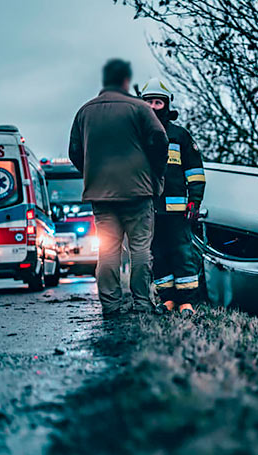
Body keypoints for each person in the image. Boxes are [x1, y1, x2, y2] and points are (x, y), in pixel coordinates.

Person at [69, 60, 169, 315]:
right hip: (138, 192)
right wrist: (155, 174)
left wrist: (92, 175)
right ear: (126, 81)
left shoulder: (84, 111)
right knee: (140, 250)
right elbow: (160, 140)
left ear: (106, 80)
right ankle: (142, 303)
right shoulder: (139, 108)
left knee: (108, 251)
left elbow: (74, 152)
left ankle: (111, 305)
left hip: (101, 196)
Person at [141, 78, 206, 316]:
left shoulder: (180, 136)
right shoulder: (138, 137)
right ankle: (167, 299)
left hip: (178, 211)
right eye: (148, 103)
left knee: (182, 254)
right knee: (159, 256)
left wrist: (194, 201)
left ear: (167, 105)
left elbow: (195, 173)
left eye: (158, 102)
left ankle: (186, 302)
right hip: (149, 209)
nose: (153, 108)